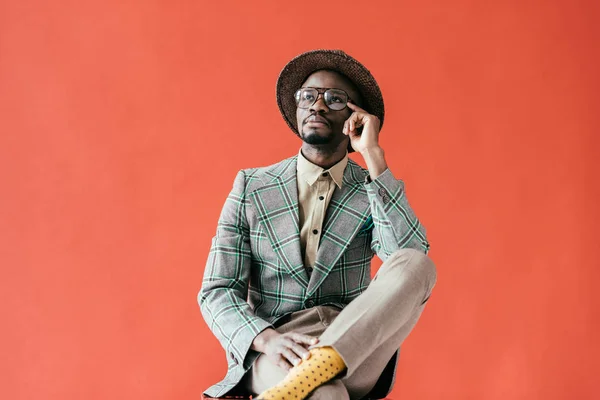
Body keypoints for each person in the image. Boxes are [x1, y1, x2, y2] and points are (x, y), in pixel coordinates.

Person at [198, 49, 437, 400]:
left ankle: (324, 361)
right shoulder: (252, 187)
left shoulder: (369, 186)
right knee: (327, 397)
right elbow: (216, 290)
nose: (318, 106)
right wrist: (266, 339)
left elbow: (409, 259)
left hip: (354, 343)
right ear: (296, 109)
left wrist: (374, 158)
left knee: (419, 262)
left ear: (355, 117)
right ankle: (310, 375)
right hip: (279, 344)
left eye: (334, 99)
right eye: (308, 96)